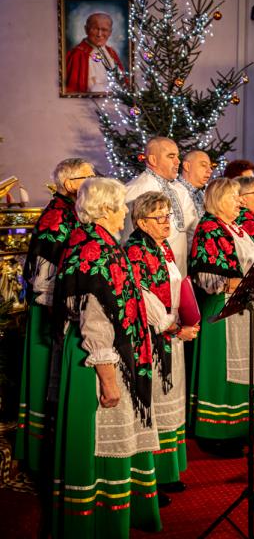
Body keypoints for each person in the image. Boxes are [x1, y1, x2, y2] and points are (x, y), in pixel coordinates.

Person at [51, 178, 161, 538]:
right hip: (96, 361)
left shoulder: (98, 243)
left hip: (110, 354)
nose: (126, 213)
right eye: (121, 206)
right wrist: (108, 379)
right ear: (106, 209)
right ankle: (96, 526)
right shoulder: (94, 250)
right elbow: (95, 320)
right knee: (100, 441)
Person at [15, 158, 96, 477]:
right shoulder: (56, 217)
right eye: (88, 176)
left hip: (66, 309)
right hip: (51, 311)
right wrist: (60, 313)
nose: (93, 180)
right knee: (47, 382)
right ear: (71, 184)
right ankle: (42, 457)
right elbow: (43, 275)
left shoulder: (75, 212)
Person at [189, 178, 254, 458]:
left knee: (247, 368)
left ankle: (240, 427)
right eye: (234, 197)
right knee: (224, 373)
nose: (240, 202)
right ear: (218, 200)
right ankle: (216, 432)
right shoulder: (209, 228)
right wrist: (248, 281)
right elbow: (206, 278)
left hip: (250, 305)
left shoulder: (236, 227)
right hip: (223, 312)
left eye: (240, 197)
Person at [126, 192, 199, 503]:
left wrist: (186, 319)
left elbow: (176, 283)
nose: (167, 222)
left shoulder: (162, 245)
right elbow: (142, 297)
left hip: (173, 334)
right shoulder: (134, 250)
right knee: (154, 404)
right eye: (160, 217)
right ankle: (149, 480)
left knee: (170, 401)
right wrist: (173, 327)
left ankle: (167, 474)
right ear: (142, 222)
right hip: (153, 340)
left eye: (168, 215)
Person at [123, 136, 197, 276]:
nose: (178, 161)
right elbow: (128, 238)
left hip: (178, 271)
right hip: (152, 275)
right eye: (171, 156)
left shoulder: (178, 190)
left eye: (177, 156)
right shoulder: (137, 190)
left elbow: (188, 228)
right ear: (153, 160)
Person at [66, 12, 124, 93]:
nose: (99, 34)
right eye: (95, 29)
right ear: (86, 30)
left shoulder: (111, 52)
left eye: (104, 30)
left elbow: (123, 83)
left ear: (110, 32)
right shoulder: (77, 55)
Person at [178, 150, 213, 248]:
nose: (209, 170)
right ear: (187, 166)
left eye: (210, 166)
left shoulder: (202, 194)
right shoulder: (175, 192)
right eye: (203, 165)